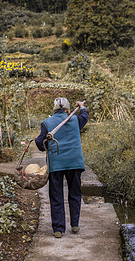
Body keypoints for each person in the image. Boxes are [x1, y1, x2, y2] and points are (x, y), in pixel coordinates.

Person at [35, 97, 88, 238]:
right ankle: (75, 224)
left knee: (56, 196)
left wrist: (41, 142)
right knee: (75, 193)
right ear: (67, 110)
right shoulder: (75, 120)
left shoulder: (46, 123)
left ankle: (58, 229)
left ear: (54, 110)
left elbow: (40, 143)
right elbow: (84, 116)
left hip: (56, 164)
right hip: (74, 162)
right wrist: (81, 106)